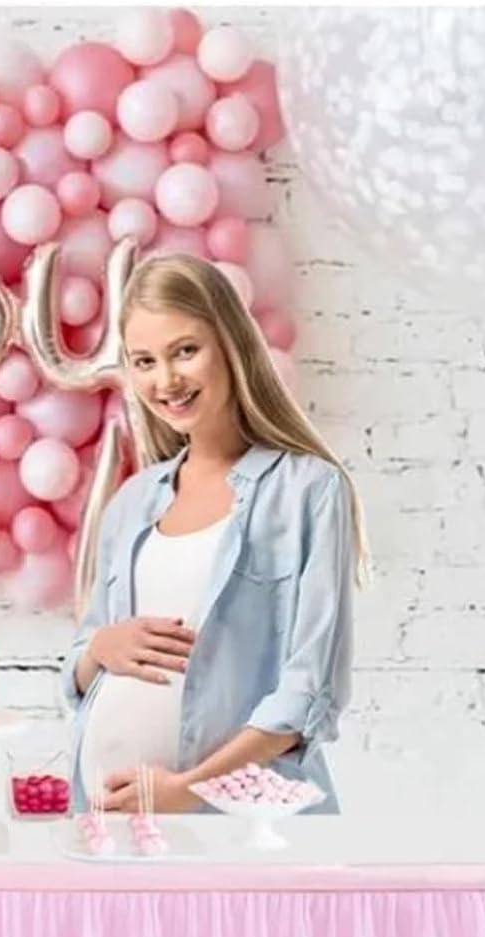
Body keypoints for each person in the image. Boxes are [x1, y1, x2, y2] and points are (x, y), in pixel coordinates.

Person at [62, 253, 370, 814]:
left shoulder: (307, 490)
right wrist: (100, 648)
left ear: (230, 343)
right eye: (144, 361)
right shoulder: (132, 501)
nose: (166, 380)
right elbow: (81, 669)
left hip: (240, 824)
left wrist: (188, 790)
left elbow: (308, 693)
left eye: (185, 351)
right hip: (109, 820)